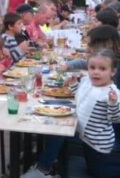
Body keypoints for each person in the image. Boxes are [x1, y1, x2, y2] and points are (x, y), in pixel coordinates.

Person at [22, 49, 120, 178]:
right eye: (92, 67)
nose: (96, 72)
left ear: (113, 72)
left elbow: (115, 118)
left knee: (98, 172)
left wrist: (113, 104)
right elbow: (81, 99)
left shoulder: (112, 93)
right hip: (84, 136)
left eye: (102, 69)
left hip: (99, 143)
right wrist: (74, 85)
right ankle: (51, 169)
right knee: (59, 132)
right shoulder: (88, 82)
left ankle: (46, 168)